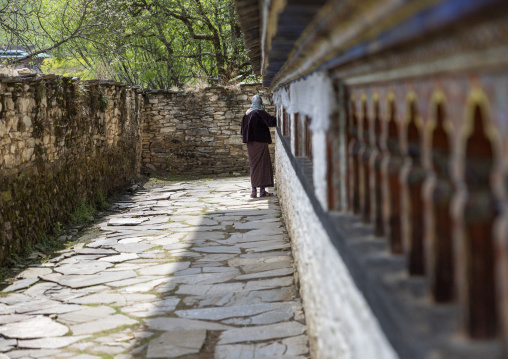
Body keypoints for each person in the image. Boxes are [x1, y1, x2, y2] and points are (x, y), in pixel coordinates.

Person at [241, 94, 277, 198]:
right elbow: (272, 121)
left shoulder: (246, 114)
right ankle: (262, 191)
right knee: (263, 165)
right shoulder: (259, 112)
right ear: (260, 102)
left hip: (250, 144)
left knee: (254, 165)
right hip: (260, 142)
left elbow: (242, 131)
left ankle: (253, 191)